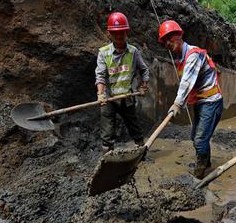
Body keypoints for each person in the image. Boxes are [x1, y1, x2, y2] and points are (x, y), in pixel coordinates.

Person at [158, 20, 223, 179]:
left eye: (170, 37)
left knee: (200, 139)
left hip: (211, 101)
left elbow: (187, 82)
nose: (167, 42)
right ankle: (206, 163)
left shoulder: (193, 54)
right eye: (164, 40)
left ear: (179, 35)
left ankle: (199, 175)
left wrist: (177, 104)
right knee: (196, 137)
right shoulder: (181, 58)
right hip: (200, 103)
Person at [95, 12, 149, 153]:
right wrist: (100, 94)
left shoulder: (133, 51)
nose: (118, 36)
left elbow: (144, 70)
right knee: (107, 132)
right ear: (109, 34)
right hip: (109, 98)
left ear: (126, 32)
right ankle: (107, 157)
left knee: (134, 126)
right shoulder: (104, 53)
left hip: (127, 97)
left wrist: (144, 86)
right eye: (115, 33)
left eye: (121, 33)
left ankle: (140, 150)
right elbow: (100, 75)